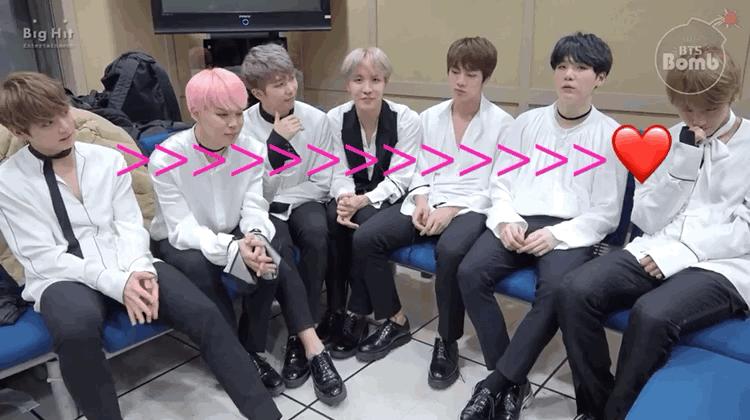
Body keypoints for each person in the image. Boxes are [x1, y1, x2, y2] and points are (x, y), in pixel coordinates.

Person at [0, 71, 281, 420]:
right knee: (75, 330)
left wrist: (137, 269)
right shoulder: (8, 181)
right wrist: (118, 284)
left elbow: (130, 225)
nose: (64, 126)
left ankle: (266, 414)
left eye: (63, 112)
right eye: (47, 123)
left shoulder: (107, 159)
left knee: (203, 313)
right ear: (21, 132)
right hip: (63, 277)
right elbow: (43, 257)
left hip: (128, 262)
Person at [556, 46, 750, 420]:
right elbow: (646, 215)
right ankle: (596, 407)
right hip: (658, 246)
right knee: (574, 291)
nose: (697, 119)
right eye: (686, 109)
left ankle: (617, 414)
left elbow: (746, 230)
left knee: (652, 315)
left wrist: (683, 253)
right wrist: (683, 165)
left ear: (732, 95)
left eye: (708, 109)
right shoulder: (669, 139)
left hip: (725, 265)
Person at [149, 68, 346, 405]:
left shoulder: (251, 149)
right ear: (195, 112)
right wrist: (232, 247)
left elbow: (255, 206)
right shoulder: (167, 158)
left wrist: (254, 235)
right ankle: (235, 356)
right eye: (222, 115)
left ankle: (269, 347)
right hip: (182, 240)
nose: (234, 124)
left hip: (233, 230)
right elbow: (182, 228)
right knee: (200, 268)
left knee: (269, 257)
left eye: (239, 114)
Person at [458, 32, 627, 420]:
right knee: (470, 271)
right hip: (520, 218)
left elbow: (606, 211)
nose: (569, 75)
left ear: (600, 78)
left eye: (581, 68)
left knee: (556, 291)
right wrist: (506, 218)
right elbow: (500, 181)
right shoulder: (526, 123)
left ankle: (497, 384)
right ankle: (512, 377)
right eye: (562, 66)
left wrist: (556, 234)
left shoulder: (610, 135)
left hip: (571, 230)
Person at [338, 37, 514, 390]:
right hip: (427, 198)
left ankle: (447, 340)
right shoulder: (430, 117)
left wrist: (450, 210)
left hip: (470, 206)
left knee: (450, 251)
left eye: (470, 74)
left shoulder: (504, 124)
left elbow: (499, 184)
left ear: (485, 77)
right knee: (367, 237)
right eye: (454, 72)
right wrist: (420, 200)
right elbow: (417, 168)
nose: (460, 81)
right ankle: (395, 319)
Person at [240, 43, 348, 402]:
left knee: (316, 233)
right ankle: (301, 337)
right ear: (258, 93)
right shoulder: (244, 127)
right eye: (278, 84)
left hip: (304, 199)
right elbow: (253, 189)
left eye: (291, 79)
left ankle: (301, 333)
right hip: (264, 207)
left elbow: (323, 179)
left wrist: (286, 198)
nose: (289, 89)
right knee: (280, 248)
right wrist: (275, 144)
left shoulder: (316, 119)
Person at [319, 47, 423, 357]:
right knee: (331, 220)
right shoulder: (334, 119)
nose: (367, 88)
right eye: (358, 80)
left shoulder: (406, 119)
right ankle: (338, 309)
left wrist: (363, 200)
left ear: (385, 82)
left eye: (375, 80)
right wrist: (345, 198)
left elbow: (402, 177)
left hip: (392, 196)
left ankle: (359, 311)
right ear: (347, 84)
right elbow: (337, 169)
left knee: (362, 225)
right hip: (353, 191)